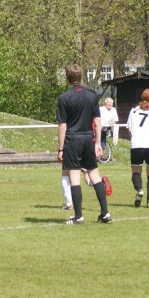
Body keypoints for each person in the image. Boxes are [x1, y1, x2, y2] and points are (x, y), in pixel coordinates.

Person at [57, 64, 112, 224]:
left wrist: (60, 148)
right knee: (95, 175)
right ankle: (105, 213)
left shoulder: (64, 98)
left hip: (72, 139)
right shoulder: (92, 95)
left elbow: (62, 126)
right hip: (89, 138)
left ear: (67, 78)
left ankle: (78, 216)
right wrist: (98, 143)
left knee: (75, 177)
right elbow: (98, 122)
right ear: (81, 77)